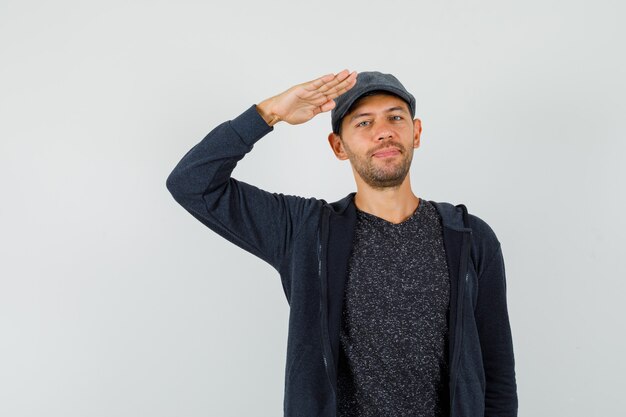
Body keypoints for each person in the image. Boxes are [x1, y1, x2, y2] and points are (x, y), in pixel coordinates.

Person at [166, 70, 518, 417]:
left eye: (395, 117)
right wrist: (269, 112)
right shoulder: (304, 231)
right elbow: (192, 183)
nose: (383, 132)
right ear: (339, 146)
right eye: (363, 123)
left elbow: (496, 371)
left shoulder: (469, 237)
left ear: (417, 132)